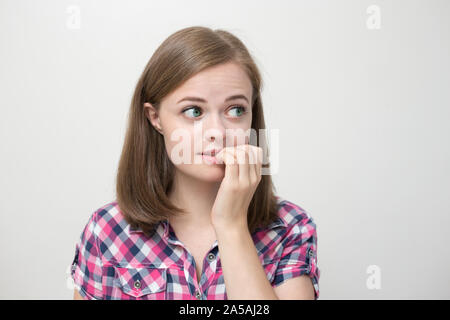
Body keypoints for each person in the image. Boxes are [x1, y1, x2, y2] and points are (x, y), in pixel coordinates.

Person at [70, 26, 320, 300]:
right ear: (155, 118)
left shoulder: (290, 228)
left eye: (236, 110)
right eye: (194, 111)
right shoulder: (107, 232)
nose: (218, 131)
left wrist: (231, 225)